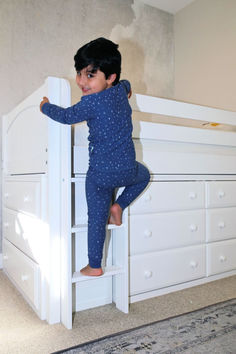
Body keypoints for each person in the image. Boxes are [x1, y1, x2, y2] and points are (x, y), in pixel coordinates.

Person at [40, 37, 150, 277]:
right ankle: (119, 205)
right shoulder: (120, 90)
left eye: (90, 75)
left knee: (96, 219)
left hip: (99, 175)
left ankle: (95, 265)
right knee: (145, 175)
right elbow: (126, 83)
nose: (81, 82)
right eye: (79, 73)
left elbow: (67, 116)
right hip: (128, 169)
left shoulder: (90, 102)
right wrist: (127, 84)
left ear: (110, 77)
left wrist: (45, 107)